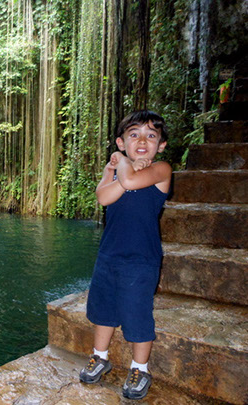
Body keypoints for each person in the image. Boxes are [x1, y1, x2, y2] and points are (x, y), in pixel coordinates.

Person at [79, 110, 172, 400]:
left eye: (151, 136)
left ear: (161, 146)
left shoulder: (161, 170)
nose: (142, 140)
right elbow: (104, 197)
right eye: (134, 135)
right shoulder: (124, 171)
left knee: (136, 313)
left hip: (141, 260)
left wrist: (126, 168)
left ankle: (140, 368)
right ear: (121, 143)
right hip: (108, 256)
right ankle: (100, 356)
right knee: (103, 308)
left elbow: (132, 183)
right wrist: (116, 169)